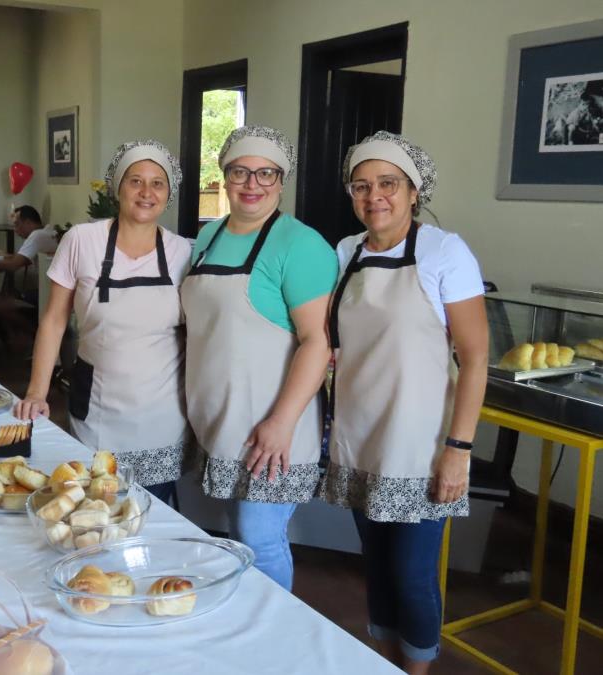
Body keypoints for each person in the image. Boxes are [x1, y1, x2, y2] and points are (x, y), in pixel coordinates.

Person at [320, 131, 488, 674]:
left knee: (414, 572)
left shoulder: (444, 251)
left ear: (414, 190)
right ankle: (383, 660)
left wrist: (459, 449)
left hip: (420, 444)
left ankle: (415, 667)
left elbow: (475, 358)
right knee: (378, 565)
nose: (375, 197)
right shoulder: (346, 252)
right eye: (362, 186)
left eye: (388, 183)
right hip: (359, 437)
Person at [181, 125, 338, 590]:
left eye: (265, 173)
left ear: (281, 181)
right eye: (240, 172)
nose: (252, 184)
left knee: (259, 538)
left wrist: (282, 422)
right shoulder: (207, 237)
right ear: (224, 177)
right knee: (239, 533)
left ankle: (276, 646)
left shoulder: (301, 244)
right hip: (220, 418)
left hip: (271, 425)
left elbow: (317, 342)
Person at [14, 140, 191, 503]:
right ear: (117, 188)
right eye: (135, 181)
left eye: (157, 183)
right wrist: (37, 391)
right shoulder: (82, 240)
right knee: (92, 509)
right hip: (97, 409)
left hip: (163, 414)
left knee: (152, 514)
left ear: (169, 193)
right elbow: (53, 321)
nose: (146, 192)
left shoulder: (183, 252)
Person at [0, 205, 58, 306]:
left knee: (2, 304)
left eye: (17, 224)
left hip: (49, 294)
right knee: (8, 296)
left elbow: (13, 265)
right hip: (51, 290)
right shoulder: (46, 233)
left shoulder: (37, 236)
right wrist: (7, 256)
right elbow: (25, 259)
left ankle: (31, 322)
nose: (15, 230)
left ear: (28, 222)